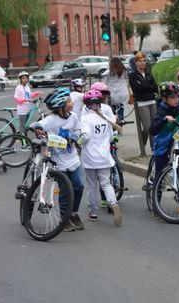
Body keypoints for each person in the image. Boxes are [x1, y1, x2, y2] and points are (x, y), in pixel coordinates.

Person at [30, 88, 85, 232]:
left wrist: (74, 137)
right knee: (65, 189)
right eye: (68, 101)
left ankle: (73, 213)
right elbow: (38, 125)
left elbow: (78, 130)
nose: (71, 103)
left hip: (72, 158)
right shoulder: (52, 119)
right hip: (58, 160)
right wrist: (38, 129)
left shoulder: (73, 116)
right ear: (60, 105)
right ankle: (64, 218)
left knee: (79, 186)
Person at [80, 90, 123, 225]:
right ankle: (113, 203)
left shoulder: (85, 118)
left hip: (90, 158)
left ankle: (93, 213)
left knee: (92, 186)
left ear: (87, 105)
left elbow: (85, 136)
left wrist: (78, 142)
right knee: (106, 184)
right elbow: (110, 137)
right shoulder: (105, 118)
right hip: (105, 156)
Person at [149, 81, 179, 177]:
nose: (176, 100)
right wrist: (164, 120)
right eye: (172, 97)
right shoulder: (161, 111)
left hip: (176, 142)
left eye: (177, 96)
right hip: (163, 146)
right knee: (160, 174)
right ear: (164, 98)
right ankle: (156, 188)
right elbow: (152, 130)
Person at [129, 51, 159, 151]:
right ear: (136, 62)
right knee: (146, 127)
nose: (142, 63)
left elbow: (155, 87)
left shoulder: (149, 73)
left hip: (152, 101)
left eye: (144, 61)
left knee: (154, 126)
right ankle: (143, 142)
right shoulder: (133, 75)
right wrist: (148, 87)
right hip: (142, 103)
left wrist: (146, 87)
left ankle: (153, 146)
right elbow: (137, 89)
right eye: (140, 61)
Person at [14, 71, 43, 136]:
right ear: (20, 79)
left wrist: (37, 93)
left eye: (26, 78)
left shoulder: (27, 87)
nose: (25, 80)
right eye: (23, 78)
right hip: (22, 110)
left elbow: (29, 95)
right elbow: (16, 98)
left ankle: (24, 136)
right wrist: (24, 100)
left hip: (27, 108)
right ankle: (23, 140)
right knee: (23, 125)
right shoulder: (18, 88)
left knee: (26, 124)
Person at [103, 57, 130, 122]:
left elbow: (104, 84)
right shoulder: (124, 71)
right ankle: (121, 120)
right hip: (122, 94)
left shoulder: (107, 73)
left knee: (112, 111)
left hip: (112, 95)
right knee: (121, 108)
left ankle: (115, 124)